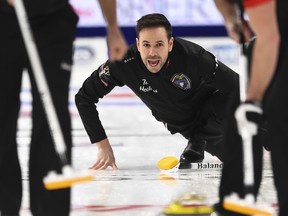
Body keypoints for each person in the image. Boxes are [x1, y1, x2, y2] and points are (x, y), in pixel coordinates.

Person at [0, 0, 128, 215]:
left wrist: (112, 27)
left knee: (52, 114)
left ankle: (50, 209)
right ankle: (5, 205)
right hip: (4, 19)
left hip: (52, 20)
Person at [75, 13, 240, 171]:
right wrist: (103, 146)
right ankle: (199, 140)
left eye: (159, 44)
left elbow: (239, 87)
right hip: (186, 126)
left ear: (170, 44)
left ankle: (201, 140)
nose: (152, 53)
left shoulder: (194, 57)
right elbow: (84, 98)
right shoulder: (122, 63)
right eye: (146, 45)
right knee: (236, 157)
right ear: (138, 44)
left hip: (216, 113)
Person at [213, 0, 287, 215]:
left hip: (276, 33)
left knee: (280, 112)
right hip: (276, 30)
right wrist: (231, 18)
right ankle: (235, 202)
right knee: (239, 114)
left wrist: (253, 101)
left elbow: (270, 37)